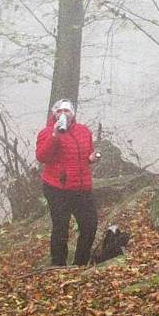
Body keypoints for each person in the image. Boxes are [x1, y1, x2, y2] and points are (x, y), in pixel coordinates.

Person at [35, 99, 100, 266]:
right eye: (60, 111)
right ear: (54, 114)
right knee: (61, 228)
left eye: (67, 111)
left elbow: (86, 154)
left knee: (90, 225)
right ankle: (58, 266)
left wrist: (91, 158)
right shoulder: (46, 132)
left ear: (73, 113)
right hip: (57, 188)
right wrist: (55, 135)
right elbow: (42, 157)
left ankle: (80, 263)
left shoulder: (84, 131)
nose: (63, 114)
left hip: (81, 187)